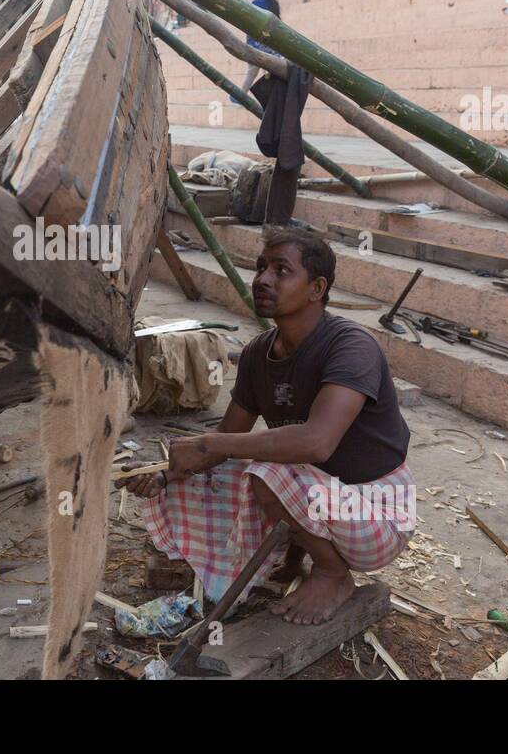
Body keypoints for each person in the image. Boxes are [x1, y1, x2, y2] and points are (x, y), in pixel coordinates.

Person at [121, 229, 414, 624]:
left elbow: (316, 444)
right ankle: (294, 556)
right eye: (261, 268)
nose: (262, 279)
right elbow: (228, 441)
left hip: (378, 511)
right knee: (213, 470)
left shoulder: (351, 346)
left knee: (266, 472)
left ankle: (332, 572)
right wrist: (164, 476)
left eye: (281, 271)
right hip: (322, 495)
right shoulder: (260, 352)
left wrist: (209, 446)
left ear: (316, 288)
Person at [232, 0, 282, 104]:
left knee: (251, 72)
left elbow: (249, 23)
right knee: (271, 74)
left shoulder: (256, 2)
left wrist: (249, 42)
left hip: (257, 44)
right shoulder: (274, 4)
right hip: (272, 45)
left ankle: (240, 97)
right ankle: (273, 100)